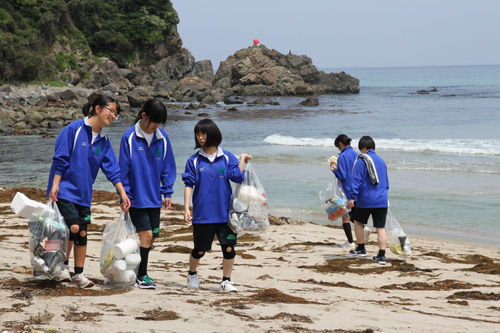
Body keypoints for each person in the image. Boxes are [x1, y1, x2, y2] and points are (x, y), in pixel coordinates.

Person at [47, 94, 131, 288]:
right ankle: (62, 267)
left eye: (116, 114)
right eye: (111, 111)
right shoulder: (74, 130)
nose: (113, 116)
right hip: (65, 190)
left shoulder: (103, 140)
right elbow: (60, 158)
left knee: (82, 234)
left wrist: (122, 193)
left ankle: (78, 274)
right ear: (98, 109)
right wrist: (55, 184)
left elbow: (112, 169)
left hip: (84, 194)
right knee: (73, 228)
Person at [182, 119, 252, 292]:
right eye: (198, 134)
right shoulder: (194, 161)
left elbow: (237, 177)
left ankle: (226, 281)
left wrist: (242, 158)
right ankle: (192, 274)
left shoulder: (227, 157)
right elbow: (188, 185)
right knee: (199, 250)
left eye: (203, 133)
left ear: (212, 133)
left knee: (228, 248)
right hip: (203, 214)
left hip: (225, 214)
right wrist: (186, 208)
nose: (200, 137)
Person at [119, 99, 176, 289]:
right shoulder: (129, 137)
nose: (156, 127)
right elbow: (123, 169)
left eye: (160, 123)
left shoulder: (163, 138)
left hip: (154, 198)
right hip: (136, 198)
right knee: (147, 235)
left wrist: (167, 191)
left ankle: (135, 268)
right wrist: (124, 195)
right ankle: (141, 275)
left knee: (151, 238)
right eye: (154, 122)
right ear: (144, 116)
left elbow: (168, 167)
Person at [348, 136, 389, 265]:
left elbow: (356, 180)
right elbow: (386, 182)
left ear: (363, 149)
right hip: (382, 200)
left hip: (366, 199)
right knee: (380, 228)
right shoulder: (382, 161)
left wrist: (352, 197)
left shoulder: (362, 160)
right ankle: (382, 255)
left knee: (358, 222)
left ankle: (361, 248)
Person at [330, 134, 371, 249]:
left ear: (340, 144)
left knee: (345, 216)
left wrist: (334, 170)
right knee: (353, 214)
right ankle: (363, 229)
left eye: (338, 147)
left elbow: (342, 175)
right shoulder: (357, 155)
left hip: (347, 190)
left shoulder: (342, 156)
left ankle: (350, 242)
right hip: (358, 189)